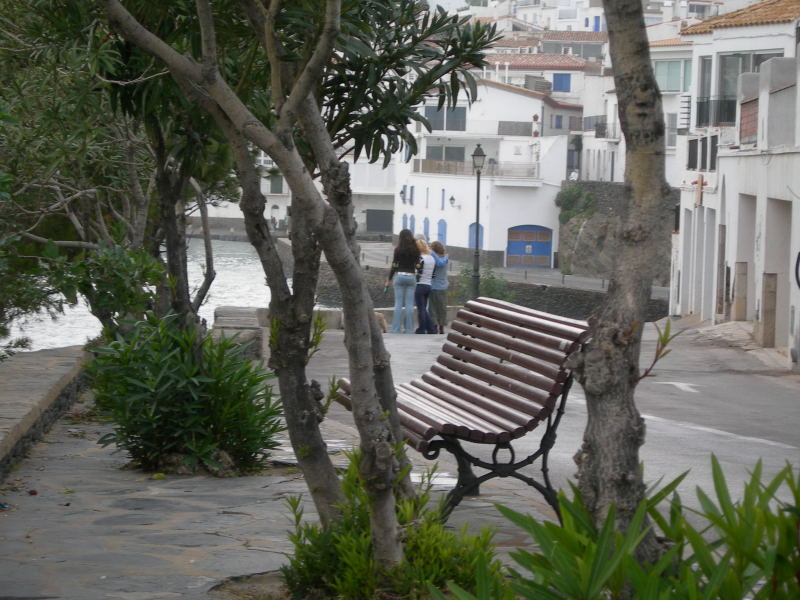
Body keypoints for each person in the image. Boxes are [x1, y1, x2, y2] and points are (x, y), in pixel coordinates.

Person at [385, 229, 420, 333]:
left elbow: (394, 265)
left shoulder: (398, 250)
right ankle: (409, 329)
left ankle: (395, 329)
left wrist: (389, 279)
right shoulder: (415, 250)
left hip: (399, 276)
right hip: (411, 277)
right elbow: (418, 265)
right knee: (409, 304)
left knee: (398, 304)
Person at [414, 238, 437, 334]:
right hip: (428, 285)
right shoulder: (432, 258)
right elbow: (433, 275)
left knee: (421, 308)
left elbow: (418, 272)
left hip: (420, 285)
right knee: (424, 308)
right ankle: (431, 329)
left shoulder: (420, 258)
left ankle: (422, 328)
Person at [428, 241, 449, 334]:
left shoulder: (435, 257)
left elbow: (439, 263)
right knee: (442, 308)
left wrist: (431, 251)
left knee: (432, 308)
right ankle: (441, 327)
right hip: (442, 287)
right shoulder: (444, 258)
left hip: (434, 286)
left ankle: (435, 326)